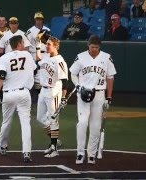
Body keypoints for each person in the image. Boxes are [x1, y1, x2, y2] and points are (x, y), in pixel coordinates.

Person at [69, 35, 116, 164]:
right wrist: (78, 85)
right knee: (82, 123)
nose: (94, 49)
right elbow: (73, 72)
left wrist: (109, 97)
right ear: (88, 46)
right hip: (83, 93)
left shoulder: (106, 57)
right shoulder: (81, 56)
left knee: (95, 125)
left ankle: (91, 154)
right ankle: (79, 153)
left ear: (99, 47)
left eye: (96, 47)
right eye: (92, 47)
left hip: (99, 93)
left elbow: (110, 77)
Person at [0, 35, 37, 163]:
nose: (23, 44)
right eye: (22, 42)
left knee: (6, 121)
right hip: (24, 93)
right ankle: (27, 152)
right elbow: (34, 69)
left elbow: (1, 75)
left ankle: (2, 146)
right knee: (25, 123)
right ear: (18, 44)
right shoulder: (27, 55)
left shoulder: (4, 57)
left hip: (8, 94)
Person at [36, 36, 68, 158]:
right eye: (47, 44)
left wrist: (64, 98)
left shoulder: (59, 61)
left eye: (49, 44)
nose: (47, 46)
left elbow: (65, 81)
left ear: (55, 46)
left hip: (53, 91)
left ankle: (54, 148)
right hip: (43, 91)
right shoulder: (46, 57)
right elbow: (38, 58)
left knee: (53, 120)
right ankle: (55, 141)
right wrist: (38, 46)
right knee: (40, 118)